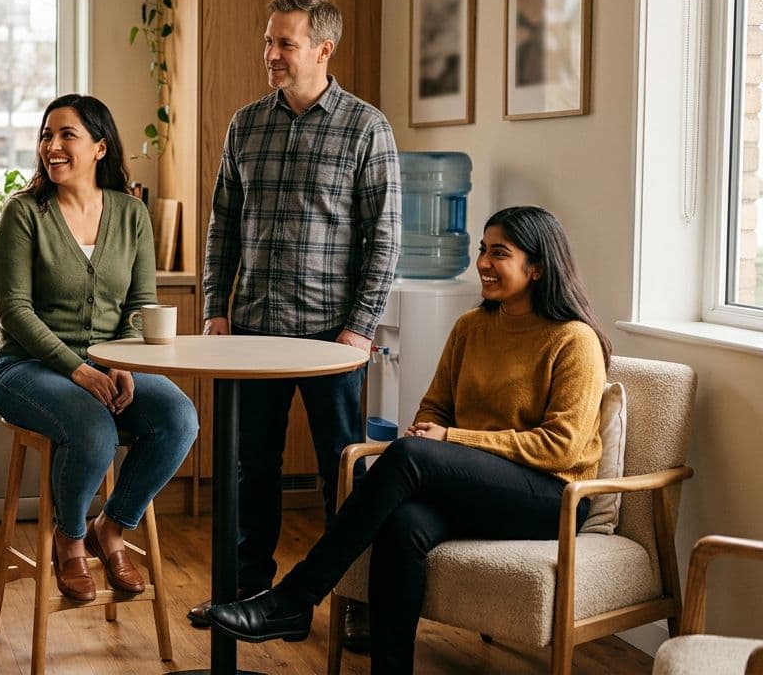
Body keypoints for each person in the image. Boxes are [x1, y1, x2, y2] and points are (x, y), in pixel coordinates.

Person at [206, 206, 611, 675]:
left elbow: (560, 447)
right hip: (483, 486)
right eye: (483, 250)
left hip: (552, 497)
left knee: (410, 455)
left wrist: (449, 440)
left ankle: (294, 598)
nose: (483, 263)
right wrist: (434, 432)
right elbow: (435, 407)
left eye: (500, 253)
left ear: (537, 267)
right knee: (405, 524)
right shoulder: (472, 327)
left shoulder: (573, 339)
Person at [190, 0, 401, 643]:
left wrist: (359, 329)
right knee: (253, 467)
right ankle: (249, 593)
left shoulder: (367, 128)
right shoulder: (245, 124)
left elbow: (385, 238)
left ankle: (358, 603)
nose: (271, 54)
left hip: (331, 339)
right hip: (252, 331)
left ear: (322, 49)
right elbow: (224, 221)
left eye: (284, 43)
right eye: (268, 40)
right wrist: (215, 309)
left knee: (345, 471)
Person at [0, 94, 198, 602]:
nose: (51, 146)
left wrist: (122, 362)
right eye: (46, 135)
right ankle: (71, 537)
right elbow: (15, 311)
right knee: (92, 425)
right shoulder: (24, 213)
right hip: (26, 368)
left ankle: (113, 526)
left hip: (108, 364)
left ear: (100, 147)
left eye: (67, 136)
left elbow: (140, 303)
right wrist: (80, 371)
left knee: (178, 417)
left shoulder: (131, 214)